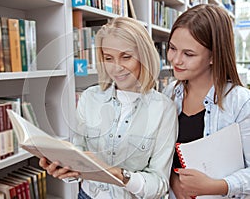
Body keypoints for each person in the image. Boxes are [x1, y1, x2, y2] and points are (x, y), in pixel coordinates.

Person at [39, 16, 178, 198]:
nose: (116, 68)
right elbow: (79, 153)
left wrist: (119, 174)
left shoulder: (164, 109)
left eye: (126, 57)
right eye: (108, 58)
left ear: (144, 57)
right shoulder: (89, 97)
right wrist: (65, 170)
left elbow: (159, 184)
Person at [163, 4, 250, 198]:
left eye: (189, 54)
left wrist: (219, 186)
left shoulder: (240, 102)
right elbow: (160, 156)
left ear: (213, 56)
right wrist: (174, 181)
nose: (176, 60)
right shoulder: (169, 93)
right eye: (172, 48)